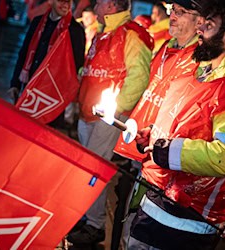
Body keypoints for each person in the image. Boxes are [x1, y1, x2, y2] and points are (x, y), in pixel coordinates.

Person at [128, 0, 225, 249]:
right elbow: (185, 126)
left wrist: (170, 151)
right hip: (155, 202)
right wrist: (153, 136)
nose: (199, 29)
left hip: (187, 222)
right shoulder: (198, 71)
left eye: (208, 25)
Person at [112, 0, 204, 247]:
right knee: (128, 221)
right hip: (142, 145)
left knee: (140, 231)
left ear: (200, 22)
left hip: (164, 163)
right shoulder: (167, 46)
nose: (172, 16)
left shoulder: (201, 61)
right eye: (173, 10)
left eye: (182, 12)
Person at [67, 0, 153, 246]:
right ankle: (88, 217)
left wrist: (112, 114)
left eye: (101, 1)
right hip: (89, 113)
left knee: (93, 170)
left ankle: (95, 225)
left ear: (112, 5)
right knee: (88, 169)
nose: (95, 5)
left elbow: (139, 77)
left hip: (107, 117)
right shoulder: (104, 33)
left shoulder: (131, 34)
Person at [8, 0, 85, 128]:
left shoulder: (74, 30)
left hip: (51, 98)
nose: (65, 5)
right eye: (61, 1)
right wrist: (15, 83)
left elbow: (76, 66)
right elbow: (24, 53)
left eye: (69, 2)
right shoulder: (38, 22)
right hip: (29, 89)